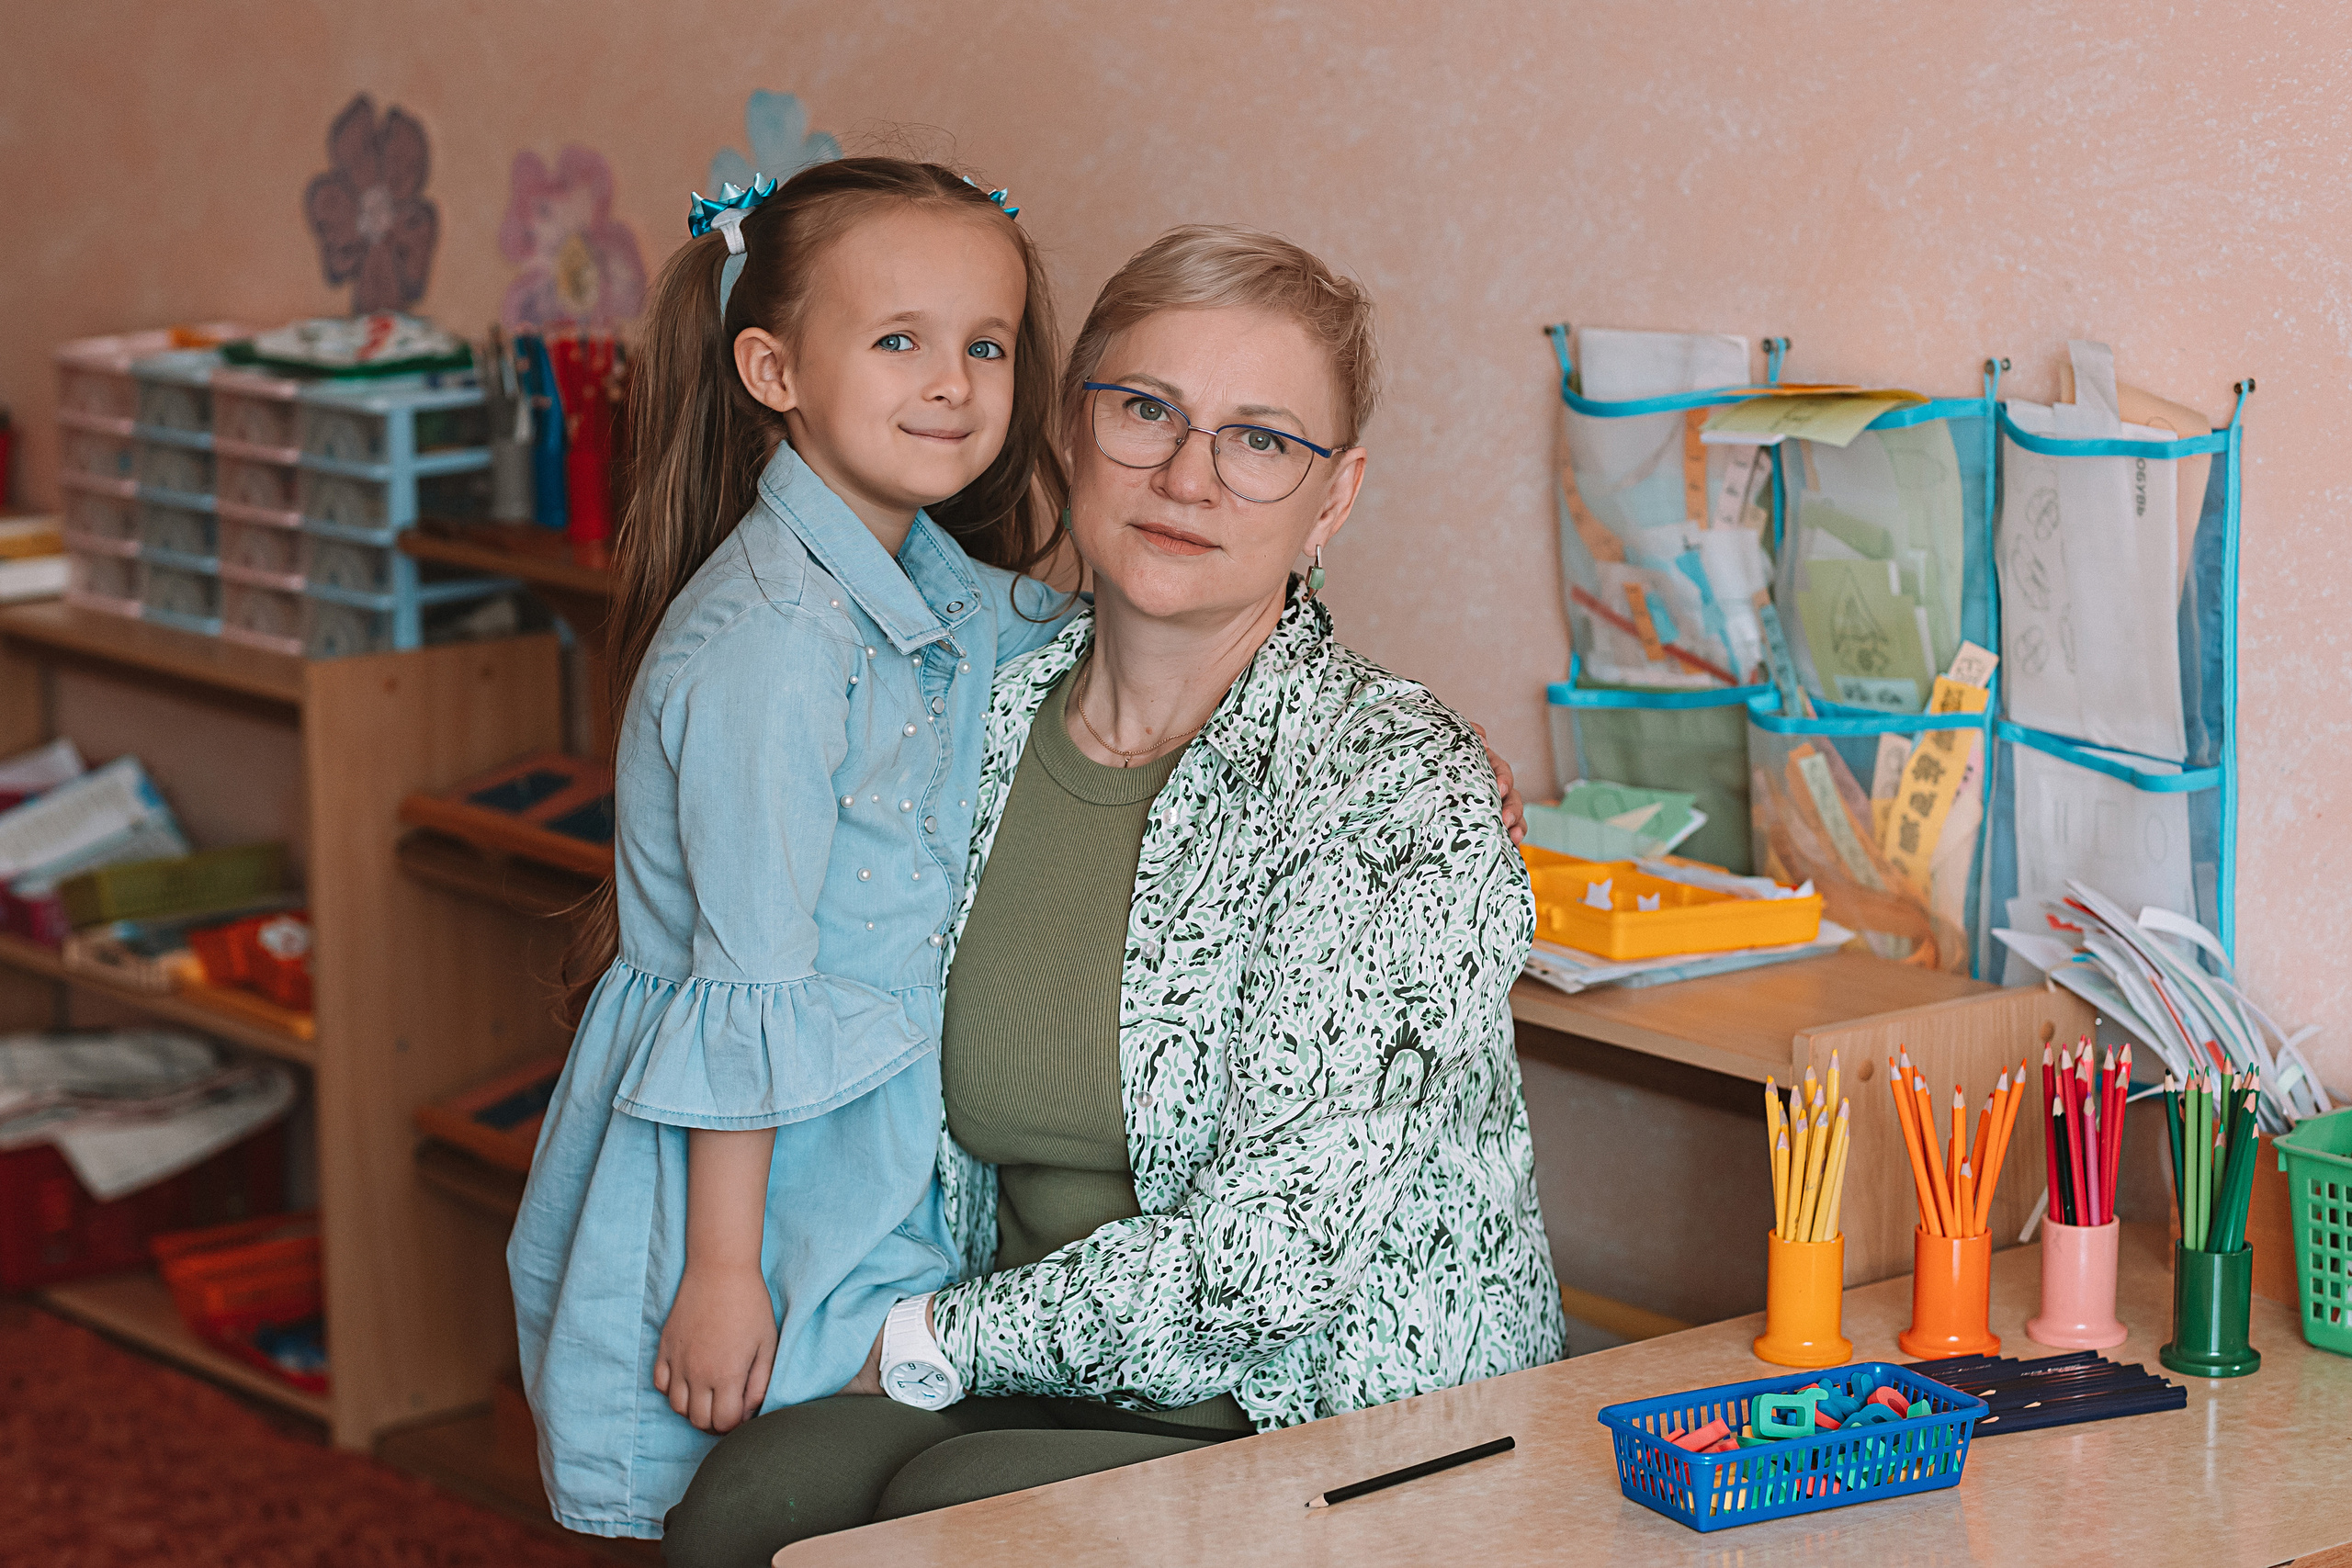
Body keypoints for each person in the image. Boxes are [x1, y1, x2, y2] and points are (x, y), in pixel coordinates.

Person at [662, 226, 1565, 1564]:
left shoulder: (1389, 783)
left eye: (1262, 440)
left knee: (938, 1534)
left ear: (1335, 495)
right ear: (1069, 430)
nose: (1189, 476)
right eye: (1147, 410)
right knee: (745, 1509)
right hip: (1020, 1368)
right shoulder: (962, 710)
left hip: (1315, 1411)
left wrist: (921, 1341)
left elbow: (1276, 1258)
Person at [504, 157, 1084, 1540]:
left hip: (856, 1115)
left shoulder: (919, 569)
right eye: (900, 341)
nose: (953, 383)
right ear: (774, 372)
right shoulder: (773, 642)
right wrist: (721, 1268)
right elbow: (746, 980)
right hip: (744, 1153)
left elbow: (1069, 635)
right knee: (716, 1445)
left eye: (985, 345)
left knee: (831, 1464)